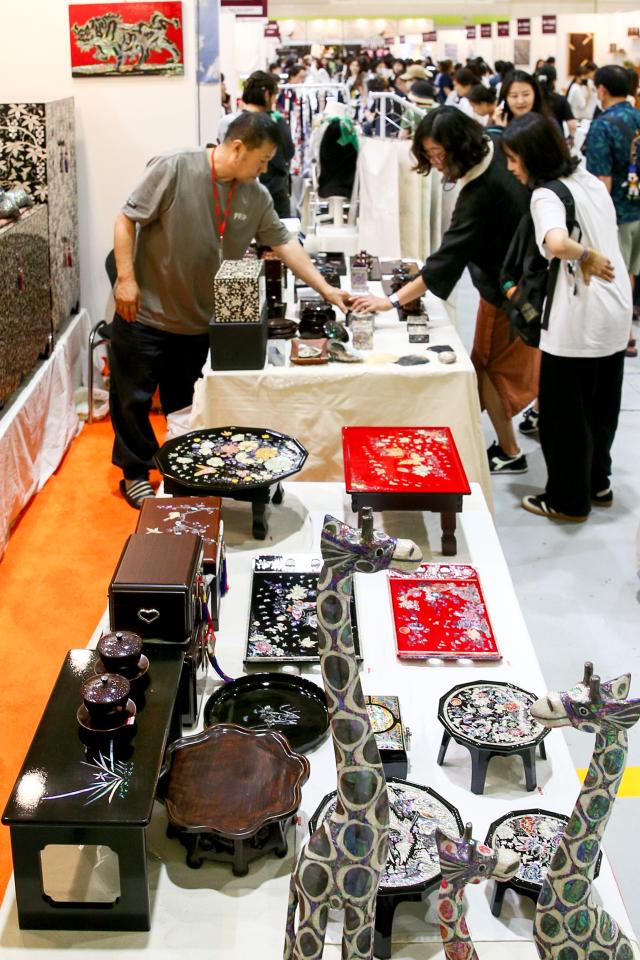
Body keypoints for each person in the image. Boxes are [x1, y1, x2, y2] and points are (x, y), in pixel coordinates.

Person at [111, 113, 350, 509]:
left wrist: (326, 288)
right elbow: (126, 217)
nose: (265, 168)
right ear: (238, 147)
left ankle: (181, 472)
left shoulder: (255, 196)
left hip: (202, 321)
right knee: (131, 398)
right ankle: (135, 472)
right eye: (262, 159)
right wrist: (125, 278)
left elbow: (285, 245)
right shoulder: (174, 167)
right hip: (147, 312)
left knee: (187, 402)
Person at [350, 106, 537, 474]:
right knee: (488, 366)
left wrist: (388, 302)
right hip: (518, 282)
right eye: (429, 154)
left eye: (439, 154)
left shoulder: (481, 193)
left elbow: (446, 261)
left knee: (489, 370)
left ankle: (510, 450)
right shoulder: (494, 146)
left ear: (459, 147)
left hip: (510, 292)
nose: (435, 163)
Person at [502, 113, 629, 520]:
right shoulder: (588, 180)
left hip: (577, 317)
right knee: (601, 407)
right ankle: (598, 483)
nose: (511, 168)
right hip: (614, 309)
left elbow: (556, 242)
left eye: (514, 158)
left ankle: (567, 500)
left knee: (563, 415)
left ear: (532, 156)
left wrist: (584, 255)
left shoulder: (546, 195)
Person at [586, 64, 640, 358]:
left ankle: (622, 335)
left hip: (616, 213)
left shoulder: (602, 126)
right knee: (630, 271)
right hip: (638, 210)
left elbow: (601, 183)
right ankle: (628, 331)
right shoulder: (638, 118)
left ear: (602, 90)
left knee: (611, 272)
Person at [218, 71, 294, 218]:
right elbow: (289, 152)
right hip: (274, 193)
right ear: (266, 95)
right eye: (274, 96)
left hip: (234, 196)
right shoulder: (275, 122)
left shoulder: (227, 122)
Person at [535, 64, 577, 141]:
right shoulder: (561, 99)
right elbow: (572, 125)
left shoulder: (534, 99)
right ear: (554, 80)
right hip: (557, 140)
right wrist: (571, 137)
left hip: (536, 140)